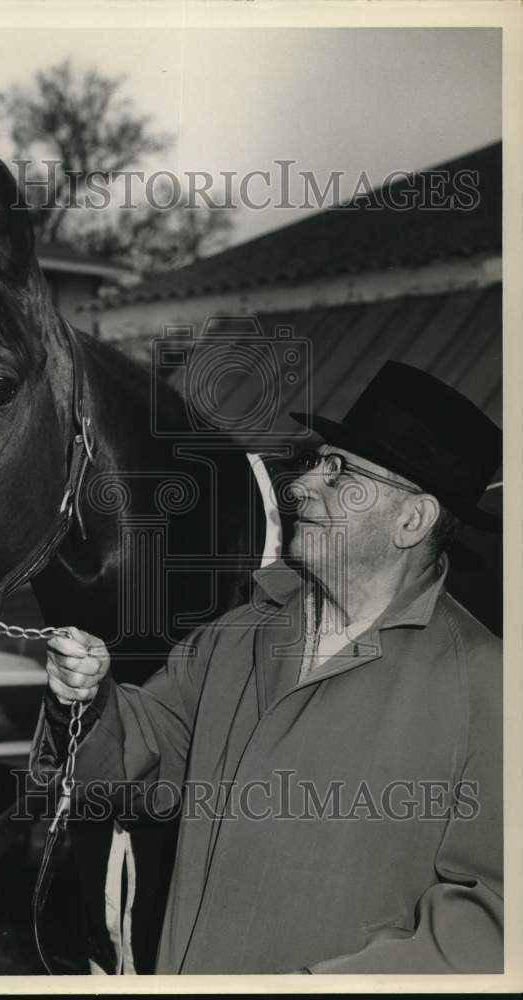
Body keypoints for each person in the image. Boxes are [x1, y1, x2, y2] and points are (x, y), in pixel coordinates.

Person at [29, 360, 503, 974]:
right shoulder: (236, 638)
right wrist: (88, 699)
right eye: (314, 463)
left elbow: (494, 921)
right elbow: (133, 763)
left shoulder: (486, 685)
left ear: (412, 520)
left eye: (339, 472)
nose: (301, 486)